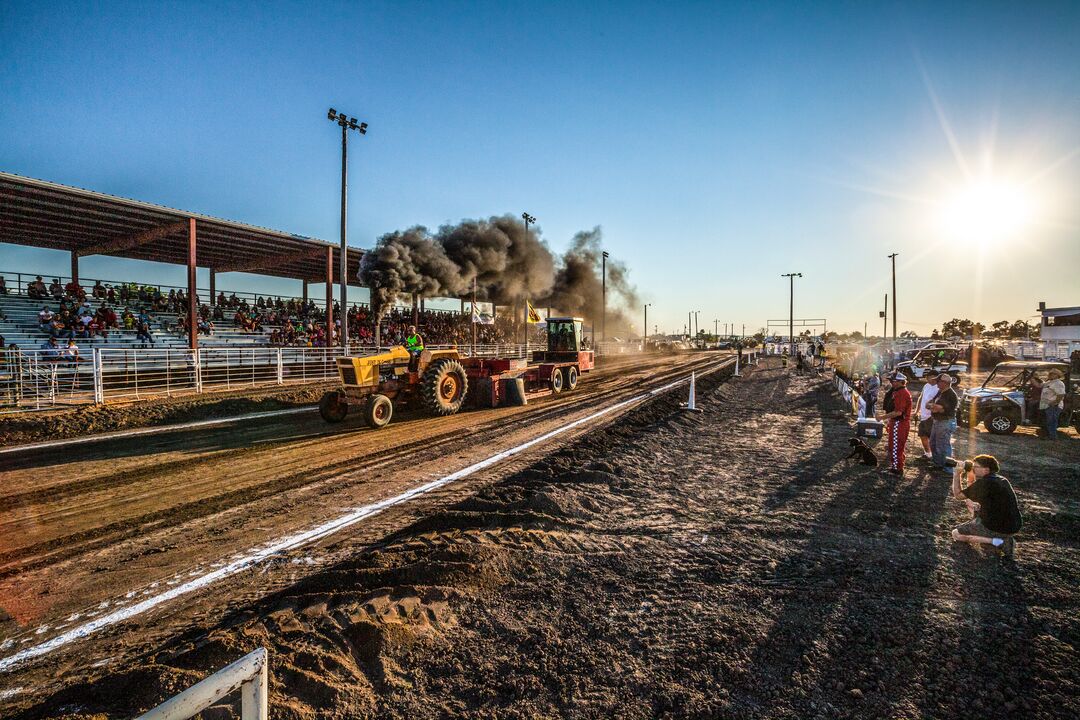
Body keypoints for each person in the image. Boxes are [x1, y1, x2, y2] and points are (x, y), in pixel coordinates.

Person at [951, 454, 1022, 558]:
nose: (973, 469)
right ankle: (1000, 538)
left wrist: (957, 474)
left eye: (976, 467)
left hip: (995, 527)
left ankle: (998, 542)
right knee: (975, 507)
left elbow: (958, 495)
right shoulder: (1002, 480)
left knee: (956, 534)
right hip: (1014, 525)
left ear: (986, 470)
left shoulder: (984, 483)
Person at [878, 373, 912, 476]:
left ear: (899, 382)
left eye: (893, 381)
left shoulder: (901, 393)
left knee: (896, 446)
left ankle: (897, 469)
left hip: (899, 422)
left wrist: (882, 418)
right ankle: (897, 466)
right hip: (898, 422)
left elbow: (898, 412)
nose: (891, 383)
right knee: (896, 445)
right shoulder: (899, 391)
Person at [928, 373, 959, 473]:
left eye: (938, 381)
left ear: (944, 383)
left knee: (943, 445)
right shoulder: (940, 392)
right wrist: (934, 407)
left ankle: (948, 469)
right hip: (938, 421)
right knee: (933, 443)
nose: (936, 383)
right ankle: (938, 464)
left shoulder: (950, 395)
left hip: (946, 422)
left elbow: (938, 408)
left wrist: (934, 407)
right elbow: (928, 405)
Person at [914, 371, 940, 459]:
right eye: (929, 377)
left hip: (931, 417)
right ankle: (927, 454)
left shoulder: (938, 388)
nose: (930, 379)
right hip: (923, 416)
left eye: (933, 378)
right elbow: (921, 398)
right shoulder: (926, 385)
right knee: (922, 435)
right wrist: (916, 411)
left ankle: (935, 456)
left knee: (932, 438)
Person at [1040, 369, 1067, 440]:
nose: (1051, 375)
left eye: (1053, 374)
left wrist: (1055, 403)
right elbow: (1039, 385)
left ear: (1058, 375)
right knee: (1048, 421)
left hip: (1054, 406)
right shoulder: (1049, 382)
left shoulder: (1059, 383)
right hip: (1046, 405)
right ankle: (1049, 435)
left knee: (1052, 421)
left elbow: (1061, 394)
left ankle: (1053, 436)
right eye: (1051, 373)